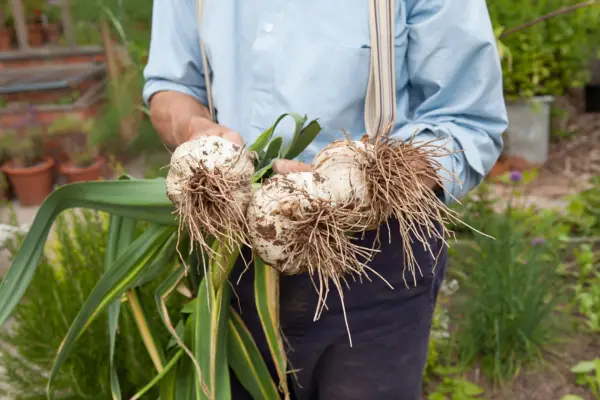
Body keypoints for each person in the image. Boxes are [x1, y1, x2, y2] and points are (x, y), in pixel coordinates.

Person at [143, 1, 508, 399]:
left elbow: (467, 122)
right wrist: (197, 132)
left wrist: (358, 185)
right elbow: (170, 87)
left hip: (374, 259)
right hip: (228, 255)